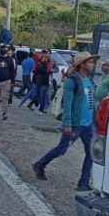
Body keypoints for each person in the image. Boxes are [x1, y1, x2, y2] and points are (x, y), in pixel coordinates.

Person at [32, 52, 99, 192]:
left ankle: (83, 182)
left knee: (91, 152)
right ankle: (40, 165)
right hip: (75, 124)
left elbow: (92, 102)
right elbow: (67, 104)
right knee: (62, 149)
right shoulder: (72, 82)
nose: (93, 65)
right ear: (82, 65)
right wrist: (67, 124)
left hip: (88, 124)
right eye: (90, 62)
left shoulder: (90, 80)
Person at [0, 44, 17, 120]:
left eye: (5, 48)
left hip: (6, 81)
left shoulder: (10, 60)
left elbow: (12, 71)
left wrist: (13, 81)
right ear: (0, 49)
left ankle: (4, 113)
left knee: (5, 97)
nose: (4, 49)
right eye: (2, 48)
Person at [30, 50, 55, 115]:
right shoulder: (38, 61)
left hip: (44, 81)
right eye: (43, 54)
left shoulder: (49, 62)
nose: (44, 55)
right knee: (34, 94)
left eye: (45, 54)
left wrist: (43, 66)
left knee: (42, 96)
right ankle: (36, 105)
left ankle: (41, 109)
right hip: (36, 80)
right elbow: (35, 70)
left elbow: (47, 71)